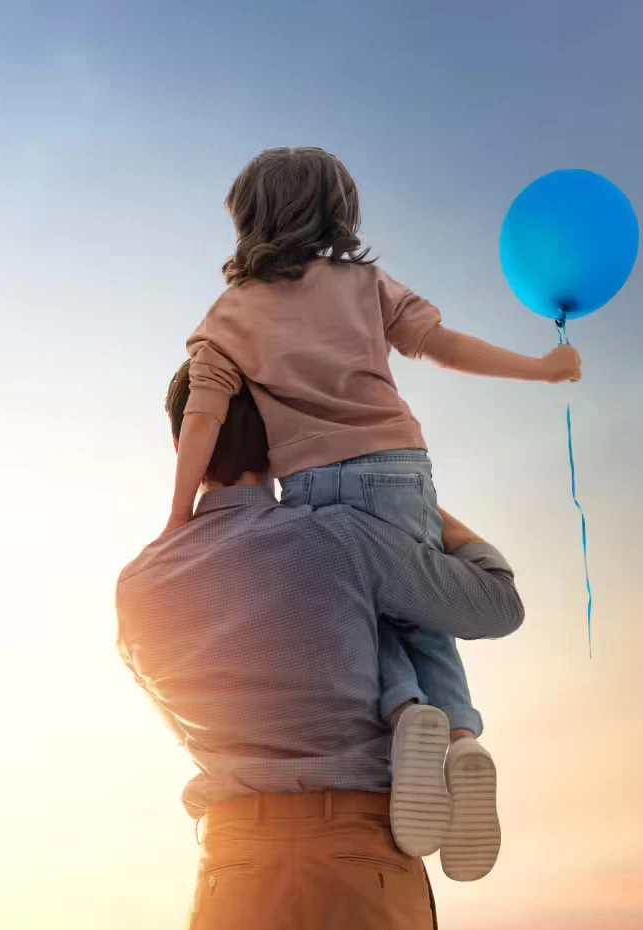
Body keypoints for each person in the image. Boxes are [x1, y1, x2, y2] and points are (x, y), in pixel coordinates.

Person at [162, 147, 578, 878]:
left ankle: (403, 713)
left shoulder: (231, 313)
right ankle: (459, 740)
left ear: (248, 215)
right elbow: (441, 347)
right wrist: (539, 369)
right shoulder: (364, 284)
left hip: (317, 487)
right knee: (421, 609)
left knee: (361, 608)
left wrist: (178, 516)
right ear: (337, 211)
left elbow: (202, 416)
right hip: (400, 470)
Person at [118, 360, 525, 928]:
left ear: (185, 443)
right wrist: (408, 508)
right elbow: (498, 606)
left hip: (230, 870)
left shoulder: (137, 587)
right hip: (360, 862)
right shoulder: (344, 535)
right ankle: (456, 731)